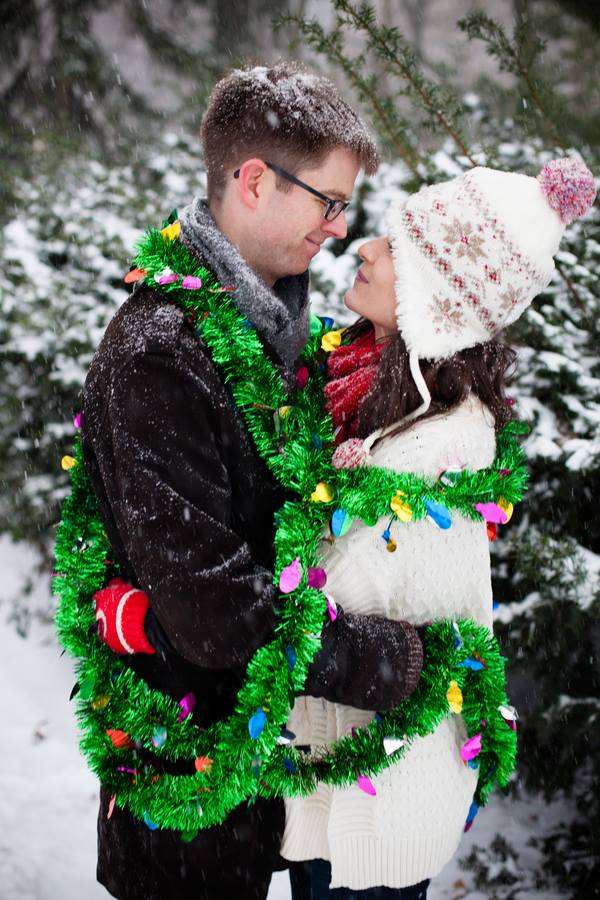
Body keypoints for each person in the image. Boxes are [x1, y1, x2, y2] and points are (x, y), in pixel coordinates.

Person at [81, 62, 426, 900]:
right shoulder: (160, 350)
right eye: (328, 202)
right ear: (254, 180)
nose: (339, 230)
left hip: (287, 773)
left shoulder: (284, 327)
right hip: (192, 788)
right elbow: (214, 609)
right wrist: (388, 661)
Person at [282, 157, 596, 899]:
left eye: (394, 249)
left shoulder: (445, 441)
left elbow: (337, 580)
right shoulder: (365, 380)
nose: (365, 249)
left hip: (386, 787)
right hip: (336, 761)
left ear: (438, 297)